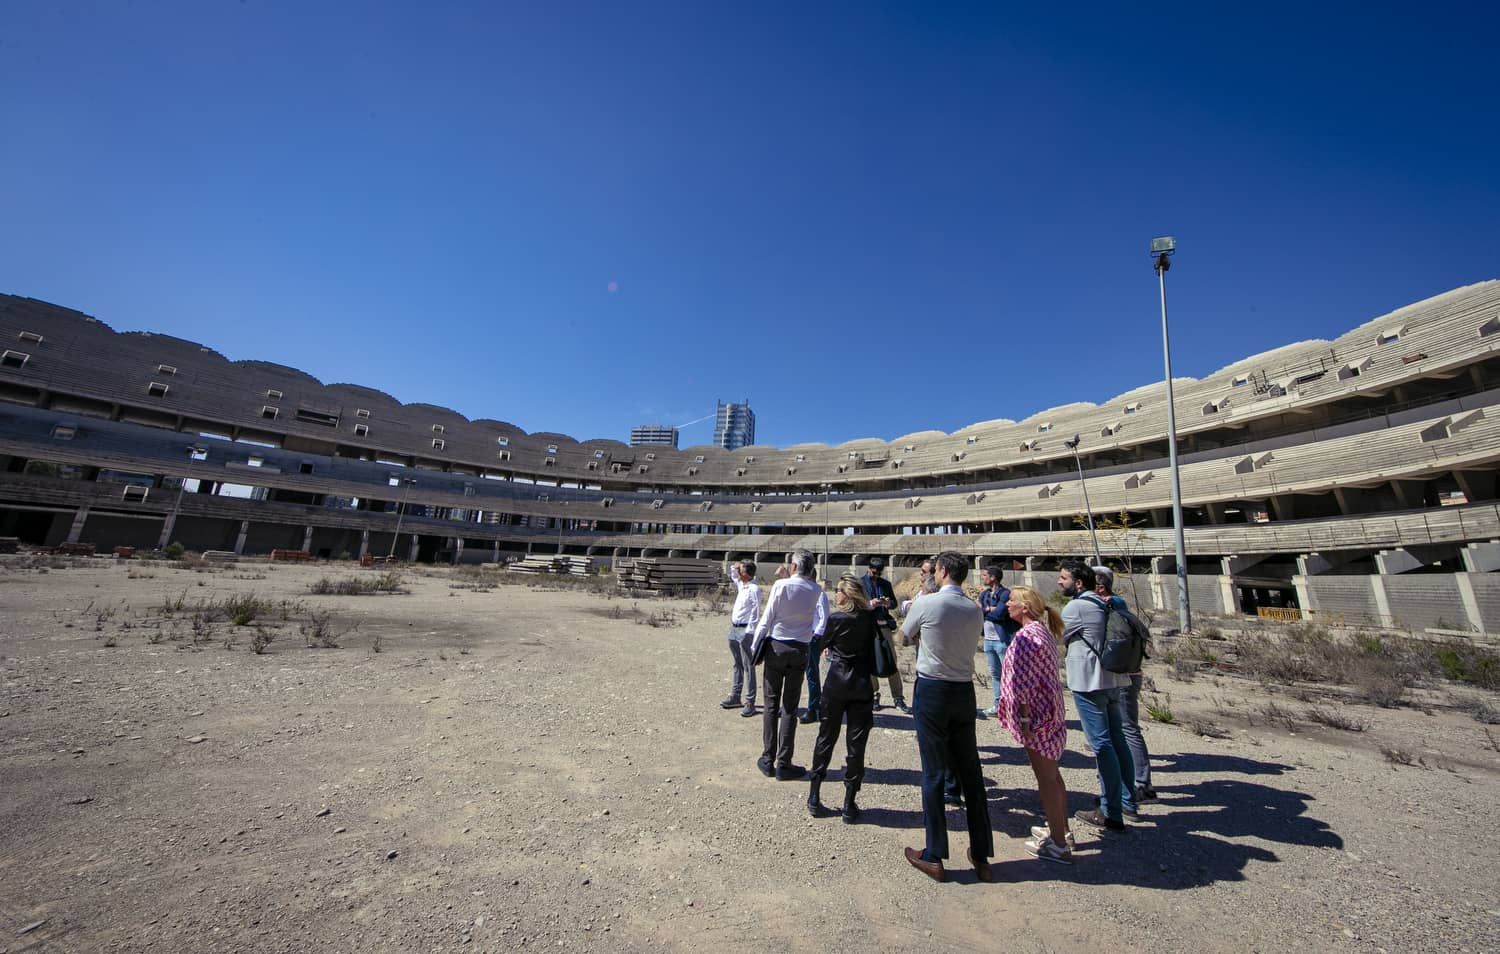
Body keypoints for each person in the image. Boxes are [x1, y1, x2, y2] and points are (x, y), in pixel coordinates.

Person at [899, 551, 994, 883]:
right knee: (970, 769)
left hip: (933, 689)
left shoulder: (928, 603)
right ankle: (981, 854)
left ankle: (934, 853)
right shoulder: (974, 609)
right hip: (963, 690)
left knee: (934, 771)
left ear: (940, 572)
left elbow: (904, 635)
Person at [1058, 560, 1137, 832]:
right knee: (1118, 740)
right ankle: (1127, 799)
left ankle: (1110, 810)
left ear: (1078, 583)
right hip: (1113, 679)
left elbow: (1059, 634)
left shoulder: (1077, 607)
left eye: (1064, 578)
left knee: (1101, 744)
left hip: (1089, 681)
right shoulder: (1109, 603)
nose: (1060, 582)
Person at [998, 585, 1075, 864]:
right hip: (1051, 711)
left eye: (1012, 602)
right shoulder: (1041, 631)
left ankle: (1057, 845)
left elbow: (1023, 684)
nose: (1007, 605)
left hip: (1038, 717)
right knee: (1053, 774)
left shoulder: (1025, 638)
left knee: (1046, 778)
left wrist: (1025, 718)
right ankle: (1061, 829)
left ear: (1025, 607)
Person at [750, 549, 829, 780]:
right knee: (790, 708)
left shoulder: (782, 585)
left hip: (777, 647)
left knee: (771, 704)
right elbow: (818, 619)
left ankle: (768, 758)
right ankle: (784, 762)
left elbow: (768, 618)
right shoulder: (816, 589)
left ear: (794, 567)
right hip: (800, 650)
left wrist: (755, 648)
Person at [807, 574, 879, 823]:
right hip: (861, 683)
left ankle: (814, 795)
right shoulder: (869, 618)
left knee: (826, 738)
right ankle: (849, 804)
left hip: (836, 682)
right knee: (856, 746)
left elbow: (822, 643)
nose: (835, 594)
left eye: (838, 590)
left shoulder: (835, 619)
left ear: (847, 594)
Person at [1093, 566, 1156, 801]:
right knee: (1120, 728)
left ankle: (1138, 783)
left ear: (1100, 585)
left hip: (1121, 674)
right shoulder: (1116, 604)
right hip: (1125, 672)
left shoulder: (1111, 605)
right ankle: (1127, 782)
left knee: (1125, 728)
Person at [859, 556, 910, 713]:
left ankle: (898, 697)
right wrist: (870, 604)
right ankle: (874, 695)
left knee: (891, 660)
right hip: (868, 626)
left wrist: (888, 603)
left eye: (878, 573)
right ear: (869, 568)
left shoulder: (885, 584)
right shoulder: (860, 583)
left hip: (884, 626)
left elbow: (894, 603)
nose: (875, 575)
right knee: (869, 661)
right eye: (874, 572)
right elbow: (856, 604)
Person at [977, 561, 1019, 718]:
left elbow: (1000, 613)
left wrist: (985, 609)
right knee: (995, 674)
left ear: (993, 577)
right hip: (988, 640)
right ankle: (998, 705)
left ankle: (1012, 707)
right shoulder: (985, 594)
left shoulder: (1005, 593)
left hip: (1002, 640)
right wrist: (988, 609)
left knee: (1009, 674)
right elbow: (978, 611)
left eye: (985, 575)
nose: (982, 577)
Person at [720, 560, 760, 717]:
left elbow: (756, 613)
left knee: (748, 666)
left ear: (746, 573)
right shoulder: (741, 585)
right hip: (734, 628)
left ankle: (750, 701)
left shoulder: (754, 589)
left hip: (745, 631)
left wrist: (749, 633)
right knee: (737, 664)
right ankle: (736, 696)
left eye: (741, 570)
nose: (738, 572)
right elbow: (733, 575)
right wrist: (735, 565)